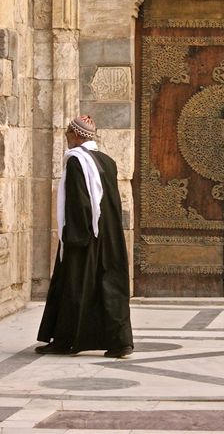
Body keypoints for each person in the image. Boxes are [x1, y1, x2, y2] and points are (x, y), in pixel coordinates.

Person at [35, 115, 134, 357]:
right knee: (107, 284)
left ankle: (64, 340)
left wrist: (74, 237)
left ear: (77, 135)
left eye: (68, 133)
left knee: (73, 284)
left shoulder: (76, 161)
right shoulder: (107, 161)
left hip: (85, 235)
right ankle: (120, 342)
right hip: (108, 235)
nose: (67, 137)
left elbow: (79, 202)